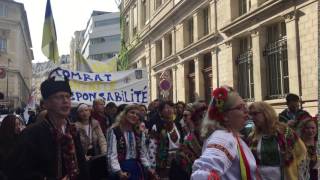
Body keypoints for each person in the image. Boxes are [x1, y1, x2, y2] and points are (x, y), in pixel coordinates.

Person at [5, 76, 89, 180]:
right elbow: (16, 171)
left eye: (68, 96)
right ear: (46, 103)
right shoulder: (32, 134)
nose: (65, 101)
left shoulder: (72, 130)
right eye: (59, 97)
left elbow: (82, 166)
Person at [191, 86, 258, 180]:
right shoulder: (223, 137)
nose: (246, 111)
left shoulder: (231, 136)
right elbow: (202, 174)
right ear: (225, 115)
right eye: (240, 107)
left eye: (245, 106)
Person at [248, 101, 307, 180]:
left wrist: (298, 174)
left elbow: (302, 153)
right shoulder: (253, 136)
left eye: (255, 114)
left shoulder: (286, 132)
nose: (252, 118)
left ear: (266, 113)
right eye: (250, 114)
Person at [106, 104, 157, 180]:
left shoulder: (139, 132)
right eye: (132, 112)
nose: (134, 116)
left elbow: (143, 153)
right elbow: (111, 155)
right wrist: (119, 172)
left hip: (136, 168)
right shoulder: (115, 131)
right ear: (125, 114)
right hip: (120, 168)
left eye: (137, 115)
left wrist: (149, 168)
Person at [148, 100, 182, 178]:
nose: (169, 109)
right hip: (163, 163)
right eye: (166, 108)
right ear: (160, 112)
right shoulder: (157, 126)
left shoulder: (178, 125)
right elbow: (152, 147)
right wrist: (152, 167)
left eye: (171, 107)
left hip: (178, 161)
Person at [172, 104, 202, 180]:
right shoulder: (183, 127)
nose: (183, 118)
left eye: (186, 115)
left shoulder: (199, 130)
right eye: (183, 115)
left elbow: (197, 148)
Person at [296, 113, 318, 179]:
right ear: (302, 129)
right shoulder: (299, 144)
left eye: (313, 128)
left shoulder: (317, 143)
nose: (310, 130)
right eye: (307, 128)